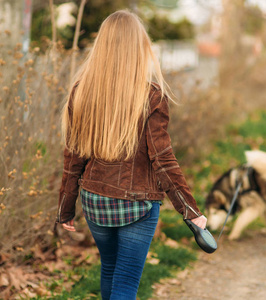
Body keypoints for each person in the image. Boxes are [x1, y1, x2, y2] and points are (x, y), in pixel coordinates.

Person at [56, 10, 207, 300]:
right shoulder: (151, 95)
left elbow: (73, 159)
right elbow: (162, 159)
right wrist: (190, 210)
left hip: (95, 201)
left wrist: (65, 207)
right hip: (137, 205)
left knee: (110, 270)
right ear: (140, 48)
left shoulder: (82, 91)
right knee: (125, 282)